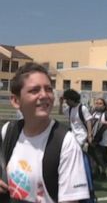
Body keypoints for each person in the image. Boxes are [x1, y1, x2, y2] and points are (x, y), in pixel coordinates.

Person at [0, 62, 89, 202]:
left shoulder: (65, 142)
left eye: (48, 89)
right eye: (34, 90)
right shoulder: (9, 131)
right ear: (16, 101)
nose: (44, 95)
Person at [88, 98, 107, 180]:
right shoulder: (93, 113)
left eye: (100, 103)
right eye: (97, 103)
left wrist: (104, 123)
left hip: (103, 141)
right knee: (91, 156)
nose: (98, 105)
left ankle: (103, 172)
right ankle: (95, 172)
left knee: (101, 158)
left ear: (104, 105)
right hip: (93, 140)